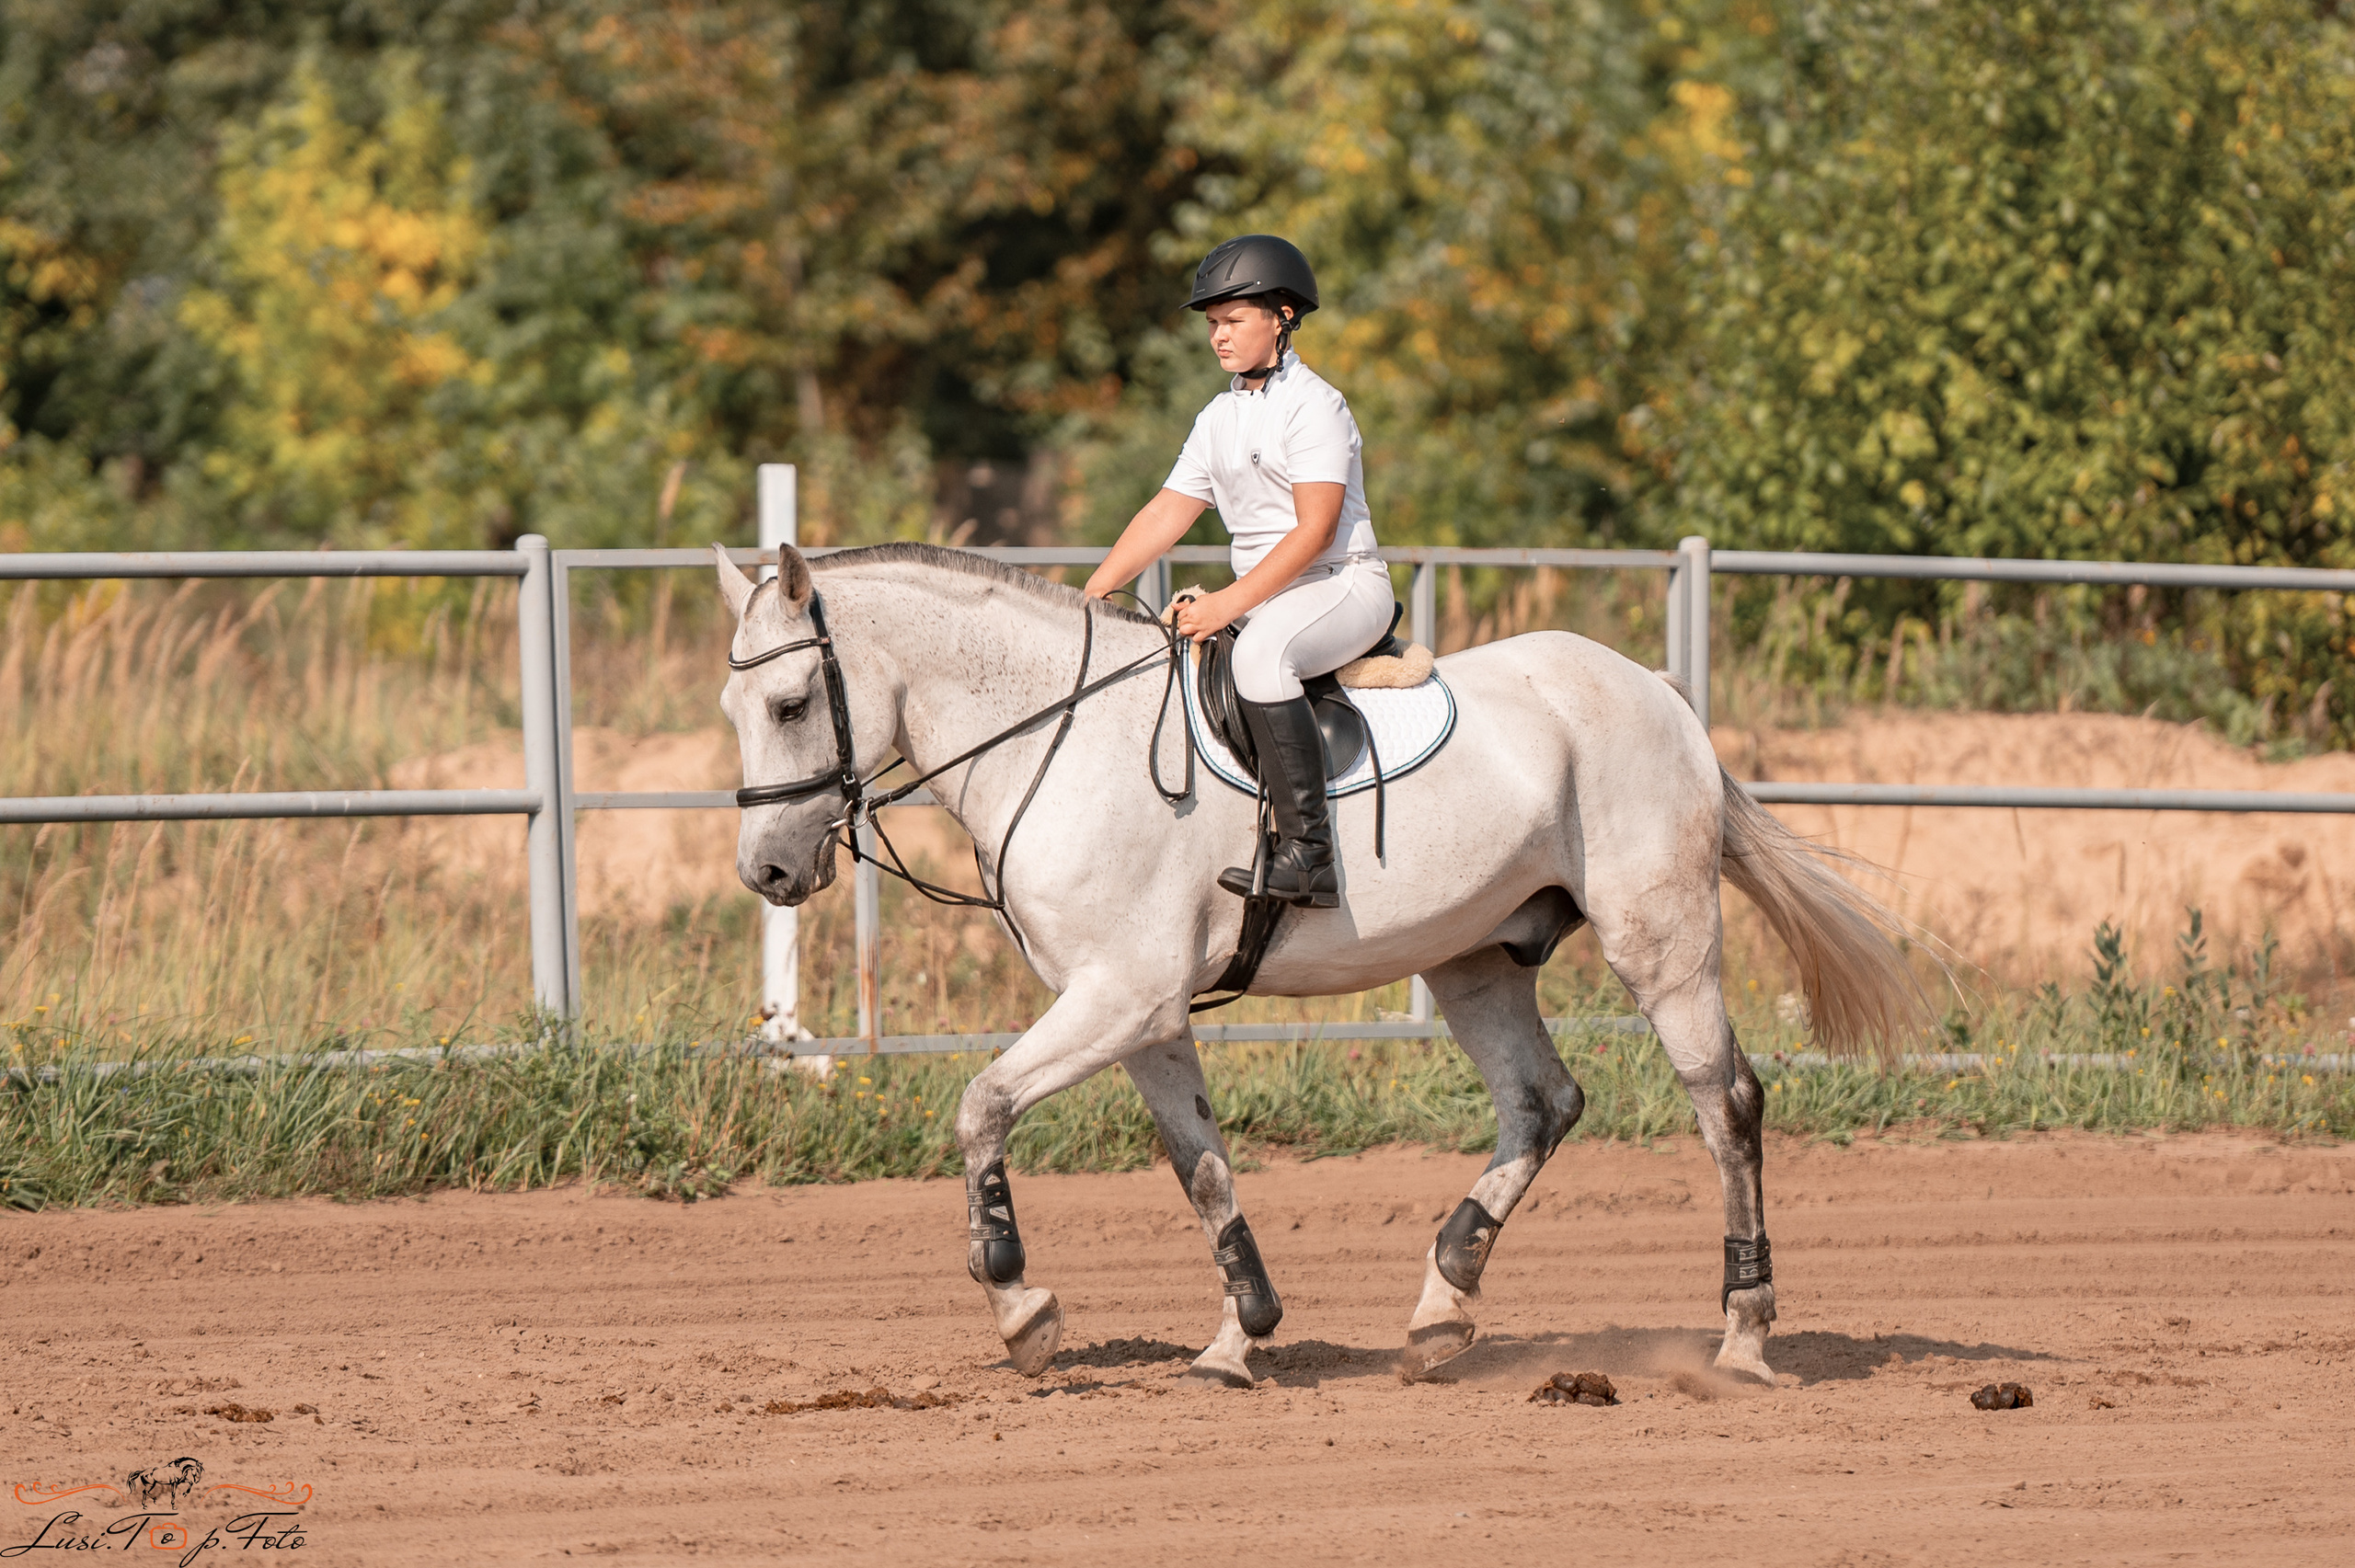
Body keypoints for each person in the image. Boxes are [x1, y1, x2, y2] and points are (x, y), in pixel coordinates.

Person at [1085, 235, 1391, 909]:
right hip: (1271, 596)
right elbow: (1168, 511)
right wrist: (1094, 591)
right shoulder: (1219, 416)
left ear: (1281, 315)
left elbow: (1314, 531)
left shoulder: (1316, 406)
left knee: (1259, 656)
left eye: (1232, 321)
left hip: (1341, 585)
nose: (1217, 337)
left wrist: (1225, 605)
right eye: (1211, 325)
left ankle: (1311, 855)